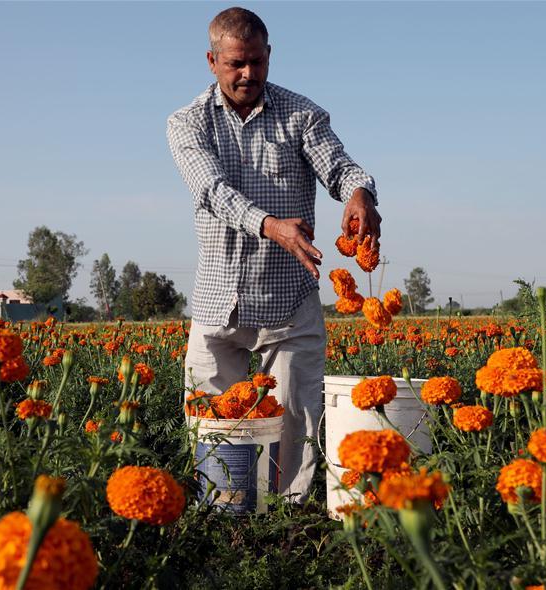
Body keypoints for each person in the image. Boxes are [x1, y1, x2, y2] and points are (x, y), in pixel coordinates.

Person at [167, 6, 381, 501]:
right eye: (236, 64)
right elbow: (211, 190)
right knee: (212, 433)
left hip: (289, 304)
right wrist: (271, 227)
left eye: (258, 63)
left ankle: (290, 529)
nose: (248, 74)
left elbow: (340, 168)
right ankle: (226, 524)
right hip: (219, 302)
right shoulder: (187, 123)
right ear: (212, 61)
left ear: (270, 56)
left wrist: (359, 194)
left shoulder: (301, 115)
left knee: (294, 428)